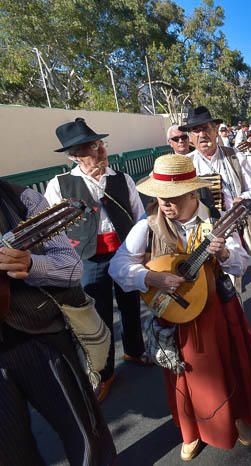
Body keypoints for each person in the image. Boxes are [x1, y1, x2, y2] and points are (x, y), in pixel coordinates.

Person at [109, 154, 251, 461]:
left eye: (173, 197)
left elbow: (241, 265)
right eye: (161, 197)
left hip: (217, 312)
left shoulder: (216, 221)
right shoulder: (148, 225)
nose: (166, 204)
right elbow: (117, 267)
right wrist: (152, 277)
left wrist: (223, 254)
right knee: (185, 377)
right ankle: (192, 429)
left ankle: (239, 416)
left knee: (229, 365)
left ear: (193, 192)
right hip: (175, 316)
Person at [0, 181, 116, 466]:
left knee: (85, 436)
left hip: (40, 338)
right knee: (10, 453)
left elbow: (72, 267)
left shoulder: (21, 199)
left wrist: (30, 265)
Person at [45, 117, 147, 402]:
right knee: (99, 316)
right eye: (92, 148)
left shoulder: (121, 178)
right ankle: (105, 372)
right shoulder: (60, 185)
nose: (101, 151)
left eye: (100, 144)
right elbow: (53, 228)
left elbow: (139, 217)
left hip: (124, 251)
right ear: (75, 156)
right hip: (89, 258)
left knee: (130, 303)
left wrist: (143, 250)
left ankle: (135, 350)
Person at [180, 106, 251, 259]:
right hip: (198, 234)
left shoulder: (235, 157)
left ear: (215, 130)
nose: (202, 134)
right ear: (190, 137)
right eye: (196, 131)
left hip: (232, 229)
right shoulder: (185, 164)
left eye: (206, 128)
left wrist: (244, 199)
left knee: (234, 275)